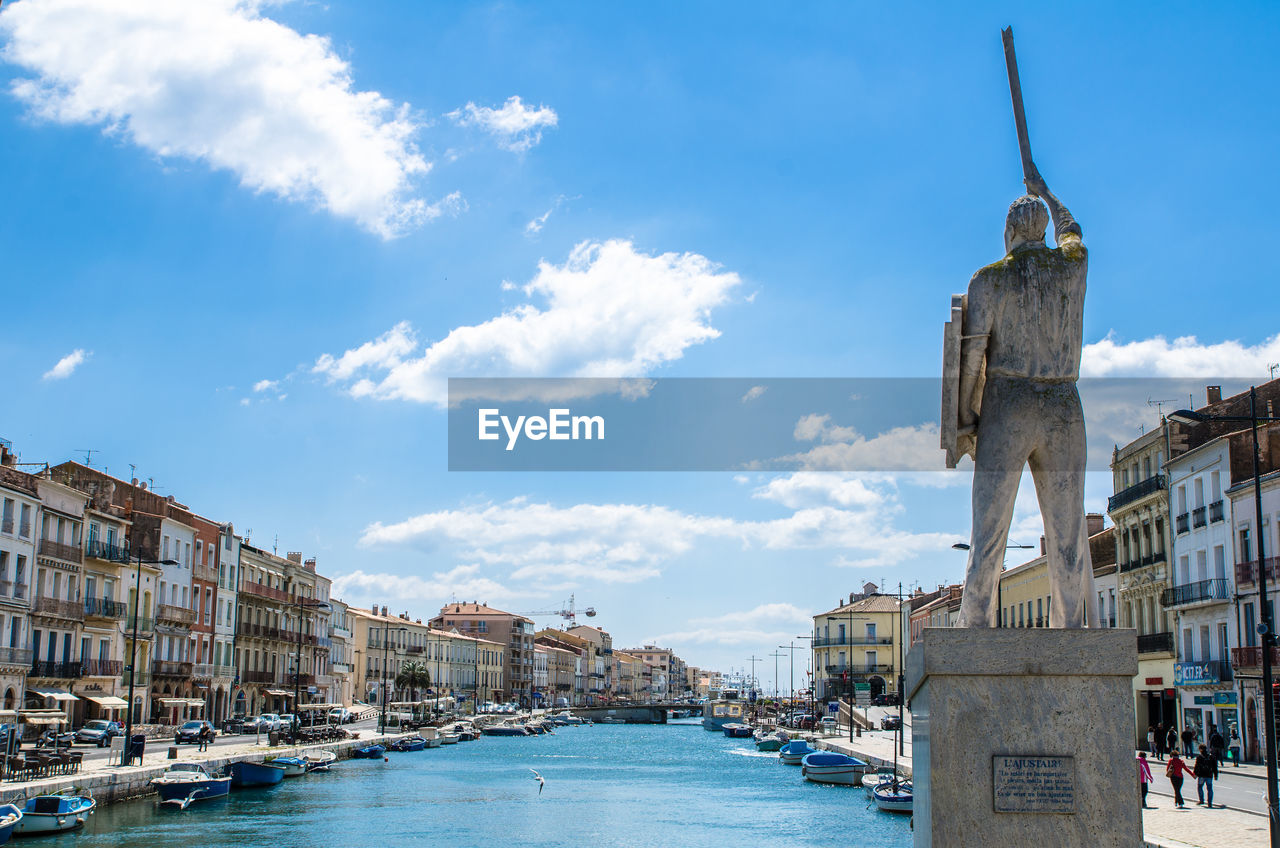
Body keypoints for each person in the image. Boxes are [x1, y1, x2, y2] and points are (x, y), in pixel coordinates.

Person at [950, 166, 1096, 628]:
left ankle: (974, 620)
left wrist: (966, 419)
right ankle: (1071, 626)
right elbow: (1072, 232)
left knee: (989, 529)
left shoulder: (989, 280)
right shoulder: (1072, 266)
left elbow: (971, 361)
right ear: (1042, 229)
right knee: (1068, 529)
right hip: (1063, 404)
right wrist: (1047, 193)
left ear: (1010, 231)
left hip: (1008, 403)